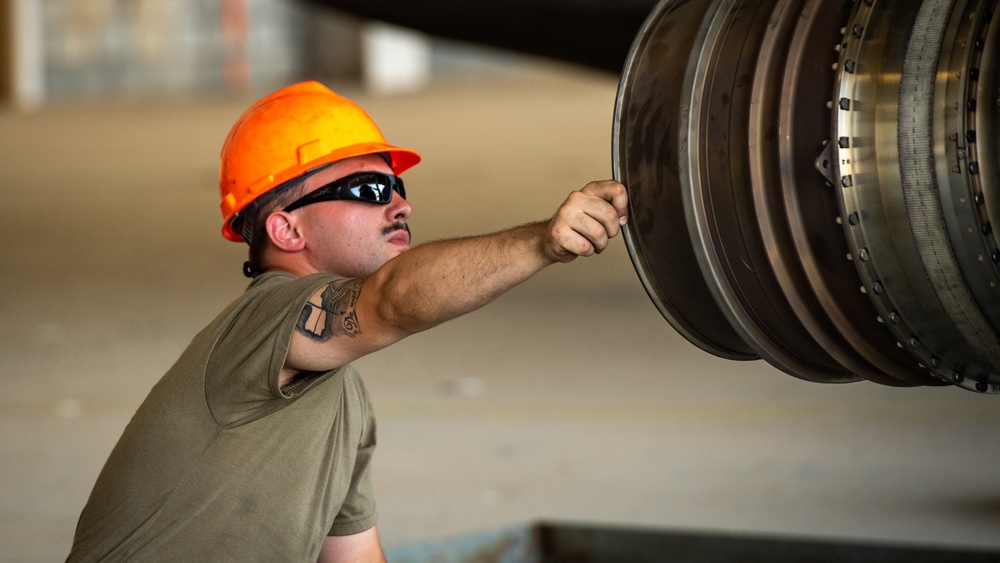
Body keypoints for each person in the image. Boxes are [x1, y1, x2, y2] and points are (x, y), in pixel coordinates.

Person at [67, 80, 628, 562]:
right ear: (287, 231)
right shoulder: (265, 318)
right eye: (369, 190)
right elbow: (392, 300)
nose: (400, 205)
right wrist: (541, 243)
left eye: (398, 187)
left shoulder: (345, 400)